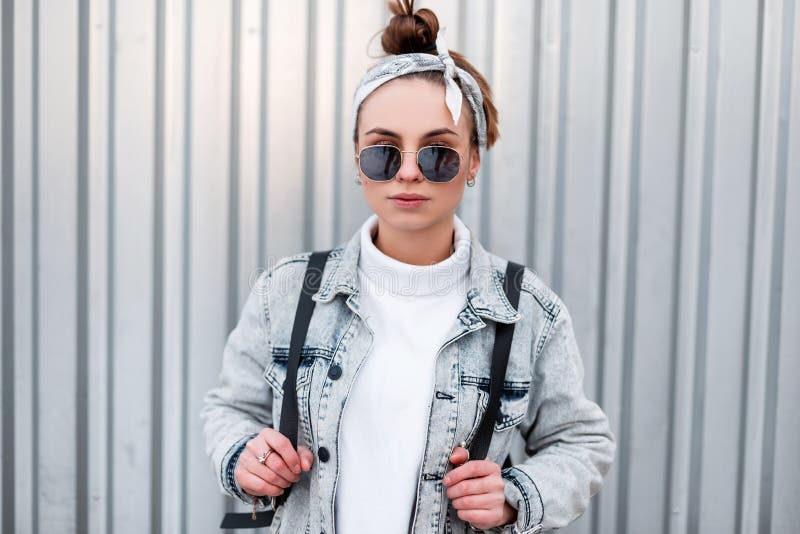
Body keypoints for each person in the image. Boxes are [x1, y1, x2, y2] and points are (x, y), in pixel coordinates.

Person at [201, 1, 615, 532]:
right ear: (357, 160)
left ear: (472, 161)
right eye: (383, 152)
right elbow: (229, 409)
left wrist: (516, 495)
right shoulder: (284, 292)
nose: (410, 174)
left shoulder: (526, 312)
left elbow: (581, 441)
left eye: (438, 153)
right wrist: (244, 457)